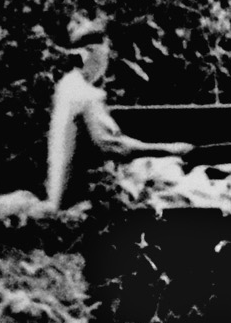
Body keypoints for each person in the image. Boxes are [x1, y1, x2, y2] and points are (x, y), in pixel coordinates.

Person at [45, 13, 192, 211]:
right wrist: (169, 149)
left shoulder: (66, 86)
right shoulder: (87, 94)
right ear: (92, 53)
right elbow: (114, 147)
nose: (106, 63)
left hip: (59, 195)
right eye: (105, 54)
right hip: (78, 203)